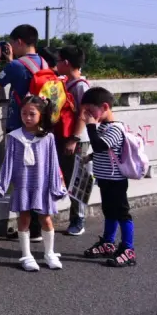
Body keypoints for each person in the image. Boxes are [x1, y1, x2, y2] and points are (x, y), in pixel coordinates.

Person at [0, 24, 48, 242]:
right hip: (40, 128)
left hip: (19, 128)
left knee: (21, 179)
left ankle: (28, 230)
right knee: (36, 177)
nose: (11, 46)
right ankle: (36, 229)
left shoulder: (15, 65)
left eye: (13, 42)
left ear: (20, 42)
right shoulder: (44, 62)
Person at [0, 96, 65, 271]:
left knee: (46, 219)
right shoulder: (14, 137)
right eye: (24, 113)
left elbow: (53, 163)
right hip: (23, 184)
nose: (27, 117)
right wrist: (2, 184)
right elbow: (8, 162)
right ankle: (26, 255)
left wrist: (56, 185)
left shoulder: (47, 138)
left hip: (43, 185)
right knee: (24, 218)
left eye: (32, 114)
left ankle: (49, 253)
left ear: (41, 115)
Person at [79, 87, 137, 267]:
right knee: (109, 212)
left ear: (104, 107)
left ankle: (128, 249)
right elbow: (104, 152)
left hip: (116, 181)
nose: (88, 115)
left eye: (90, 111)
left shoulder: (115, 129)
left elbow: (99, 145)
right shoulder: (103, 127)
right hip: (104, 179)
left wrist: (89, 125)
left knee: (122, 213)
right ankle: (108, 242)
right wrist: (89, 157)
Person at [56, 46, 91, 236]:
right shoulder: (68, 83)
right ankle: (75, 218)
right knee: (70, 177)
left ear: (66, 63)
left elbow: (83, 114)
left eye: (59, 61)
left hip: (77, 139)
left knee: (78, 179)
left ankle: (79, 219)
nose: (57, 64)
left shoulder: (80, 86)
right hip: (68, 137)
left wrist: (74, 139)